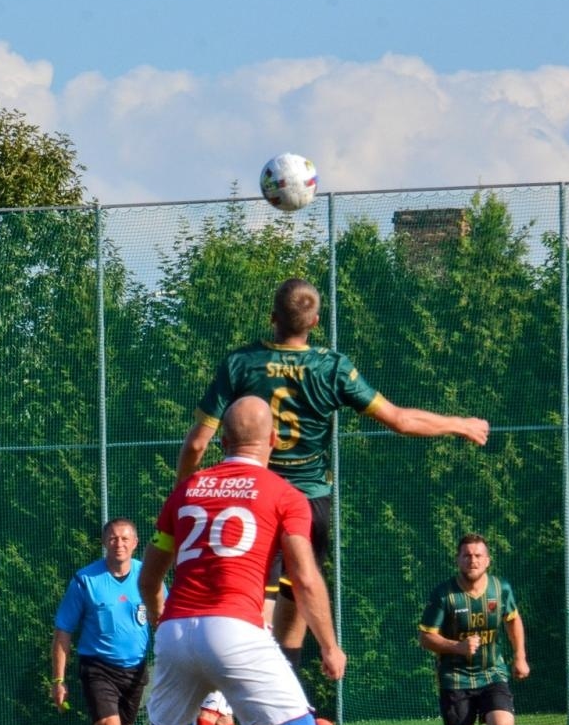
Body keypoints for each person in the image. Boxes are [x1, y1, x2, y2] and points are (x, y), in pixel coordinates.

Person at [177, 278, 488, 694]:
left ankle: (235, 704)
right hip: (308, 505)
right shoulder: (333, 367)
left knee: (253, 606)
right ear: (315, 322)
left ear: (272, 317)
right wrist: (459, 424)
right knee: (297, 601)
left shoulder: (241, 363)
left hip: (255, 498)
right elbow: (399, 420)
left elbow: (198, 443)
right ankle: (282, 701)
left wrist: (186, 491)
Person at [113, 396, 347, 725]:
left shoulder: (187, 489)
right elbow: (305, 579)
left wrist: (165, 624)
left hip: (177, 630)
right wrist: (330, 646)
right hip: (235, 628)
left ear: (222, 442)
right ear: (274, 442)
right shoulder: (285, 494)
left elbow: (150, 578)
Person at [418, 532, 529, 725]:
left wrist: (520, 657)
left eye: (478, 555)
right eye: (467, 555)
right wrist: (457, 646)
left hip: (492, 671)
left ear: (488, 560)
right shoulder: (444, 594)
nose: (473, 560)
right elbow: (426, 637)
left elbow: (513, 620)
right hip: (455, 676)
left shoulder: (500, 589)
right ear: (458, 560)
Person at [50, 518, 149, 725]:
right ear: (104, 542)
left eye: (125, 539)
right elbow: (63, 632)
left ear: (135, 543)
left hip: (135, 671)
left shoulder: (148, 576)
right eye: (113, 538)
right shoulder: (86, 580)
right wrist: (58, 680)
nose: (119, 544)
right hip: (98, 668)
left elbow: (166, 615)